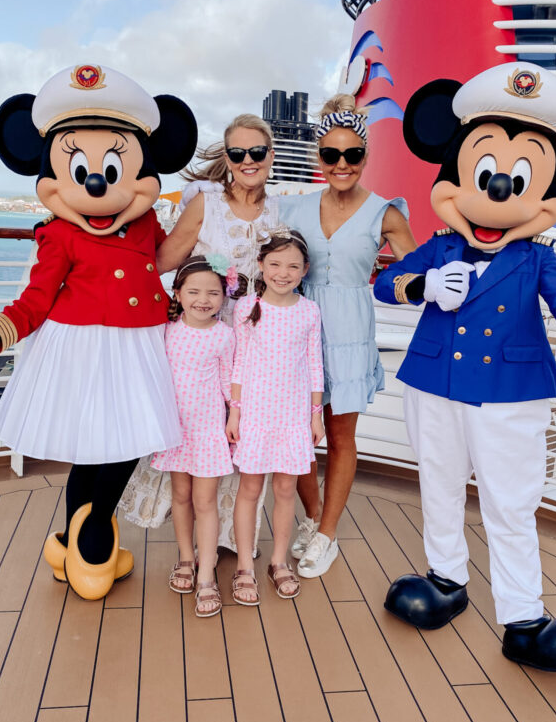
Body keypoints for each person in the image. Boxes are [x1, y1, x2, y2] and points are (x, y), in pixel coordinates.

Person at [375, 62, 556, 671]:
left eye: (519, 177)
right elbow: (384, 281)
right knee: (440, 485)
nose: (498, 190)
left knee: (510, 504)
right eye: (483, 172)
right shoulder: (442, 246)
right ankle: (446, 580)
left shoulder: (536, 258)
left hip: (509, 396)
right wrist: (421, 285)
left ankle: (522, 616)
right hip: (433, 383)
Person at [0, 63, 198, 601]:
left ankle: (72, 538)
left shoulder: (147, 223)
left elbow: (163, 258)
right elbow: (35, 298)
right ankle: (95, 540)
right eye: (79, 168)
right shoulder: (57, 235)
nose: (96, 180)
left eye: (112, 165)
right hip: (79, 346)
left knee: (126, 444)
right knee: (93, 447)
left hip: (138, 344)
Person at [121, 114, 283, 554]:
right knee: (199, 435)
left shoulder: (279, 209)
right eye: (238, 153)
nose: (248, 160)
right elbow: (161, 261)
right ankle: (192, 545)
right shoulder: (204, 206)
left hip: (258, 342)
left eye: (257, 151)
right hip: (203, 337)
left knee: (244, 435)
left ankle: (232, 536)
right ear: (227, 159)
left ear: (271, 154)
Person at [279, 95, 417, 578]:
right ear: (319, 157)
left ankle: (327, 533)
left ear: (364, 157)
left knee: (340, 436)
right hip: (295, 330)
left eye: (352, 154)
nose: (342, 164)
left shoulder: (386, 213)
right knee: (294, 437)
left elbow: (416, 273)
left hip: (351, 330)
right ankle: (313, 519)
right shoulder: (292, 207)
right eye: (332, 155)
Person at [225, 231, 324, 605]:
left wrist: (315, 417)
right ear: (262, 266)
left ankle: (279, 561)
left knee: (285, 491)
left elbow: (316, 365)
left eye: (293, 266)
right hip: (255, 413)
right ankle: (245, 566)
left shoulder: (308, 310)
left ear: (305, 270)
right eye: (276, 264)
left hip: (294, 416)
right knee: (249, 490)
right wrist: (235, 412)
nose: (283, 273)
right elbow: (238, 364)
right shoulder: (247, 307)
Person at [149, 254, 236, 616]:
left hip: (208, 429)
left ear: (224, 296)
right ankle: (186, 557)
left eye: (213, 292)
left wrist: (235, 418)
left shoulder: (224, 335)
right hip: (175, 429)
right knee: (180, 496)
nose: (204, 299)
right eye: (195, 291)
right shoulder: (166, 331)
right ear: (178, 294)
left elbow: (229, 381)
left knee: (205, 501)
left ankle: (206, 574)